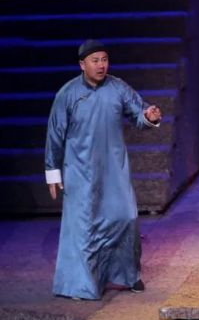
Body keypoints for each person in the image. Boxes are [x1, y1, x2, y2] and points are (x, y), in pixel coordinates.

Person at [45, 39, 161, 300]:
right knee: (85, 227)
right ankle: (82, 285)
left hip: (113, 167)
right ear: (82, 65)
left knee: (126, 217)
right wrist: (52, 171)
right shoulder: (68, 94)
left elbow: (139, 112)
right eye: (95, 61)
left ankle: (126, 275)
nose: (101, 65)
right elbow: (55, 133)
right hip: (80, 170)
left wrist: (148, 116)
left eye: (104, 60)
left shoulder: (117, 87)